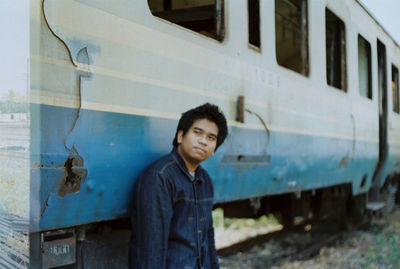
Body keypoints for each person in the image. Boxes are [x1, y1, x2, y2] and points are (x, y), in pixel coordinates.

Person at [129, 103, 228, 269]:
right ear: (180, 136)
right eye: (197, 133)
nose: (203, 141)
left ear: (214, 149)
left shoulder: (205, 180)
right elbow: (152, 247)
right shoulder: (160, 177)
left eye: (211, 138)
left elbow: (208, 236)